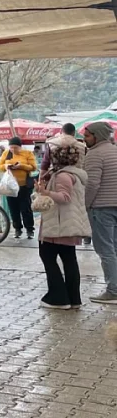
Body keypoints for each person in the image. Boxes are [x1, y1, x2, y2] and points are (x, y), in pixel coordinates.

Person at [35, 144, 90, 309]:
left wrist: (46, 193)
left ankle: (58, 297)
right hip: (67, 223)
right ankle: (73, 298)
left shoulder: (63, 176)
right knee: (69, 259)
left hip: (58, 225)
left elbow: (64, 197)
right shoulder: (74, 174)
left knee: (47, 256)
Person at [84, 121, 117, 304]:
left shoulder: (95, 154)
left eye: (88, 136)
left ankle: (113, 290)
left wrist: (85, 205)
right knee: (115, 248)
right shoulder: (115, 150)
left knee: (105, 250)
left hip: (102, 208)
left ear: (97, 136)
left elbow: (92, 184)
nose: (85, 139)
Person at [0, 136, 37, 239]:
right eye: (11, 147)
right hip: (10, 187)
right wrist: (6, 166)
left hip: (23, 185)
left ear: (20, 147)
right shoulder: (6, 153)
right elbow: (0, 167)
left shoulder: (27, 154)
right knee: (13, 209)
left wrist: (21, 166)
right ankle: (17, 228)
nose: (13, 150)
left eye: (15, 147)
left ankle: (29, 229)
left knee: (26, 208)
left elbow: (33, 167)